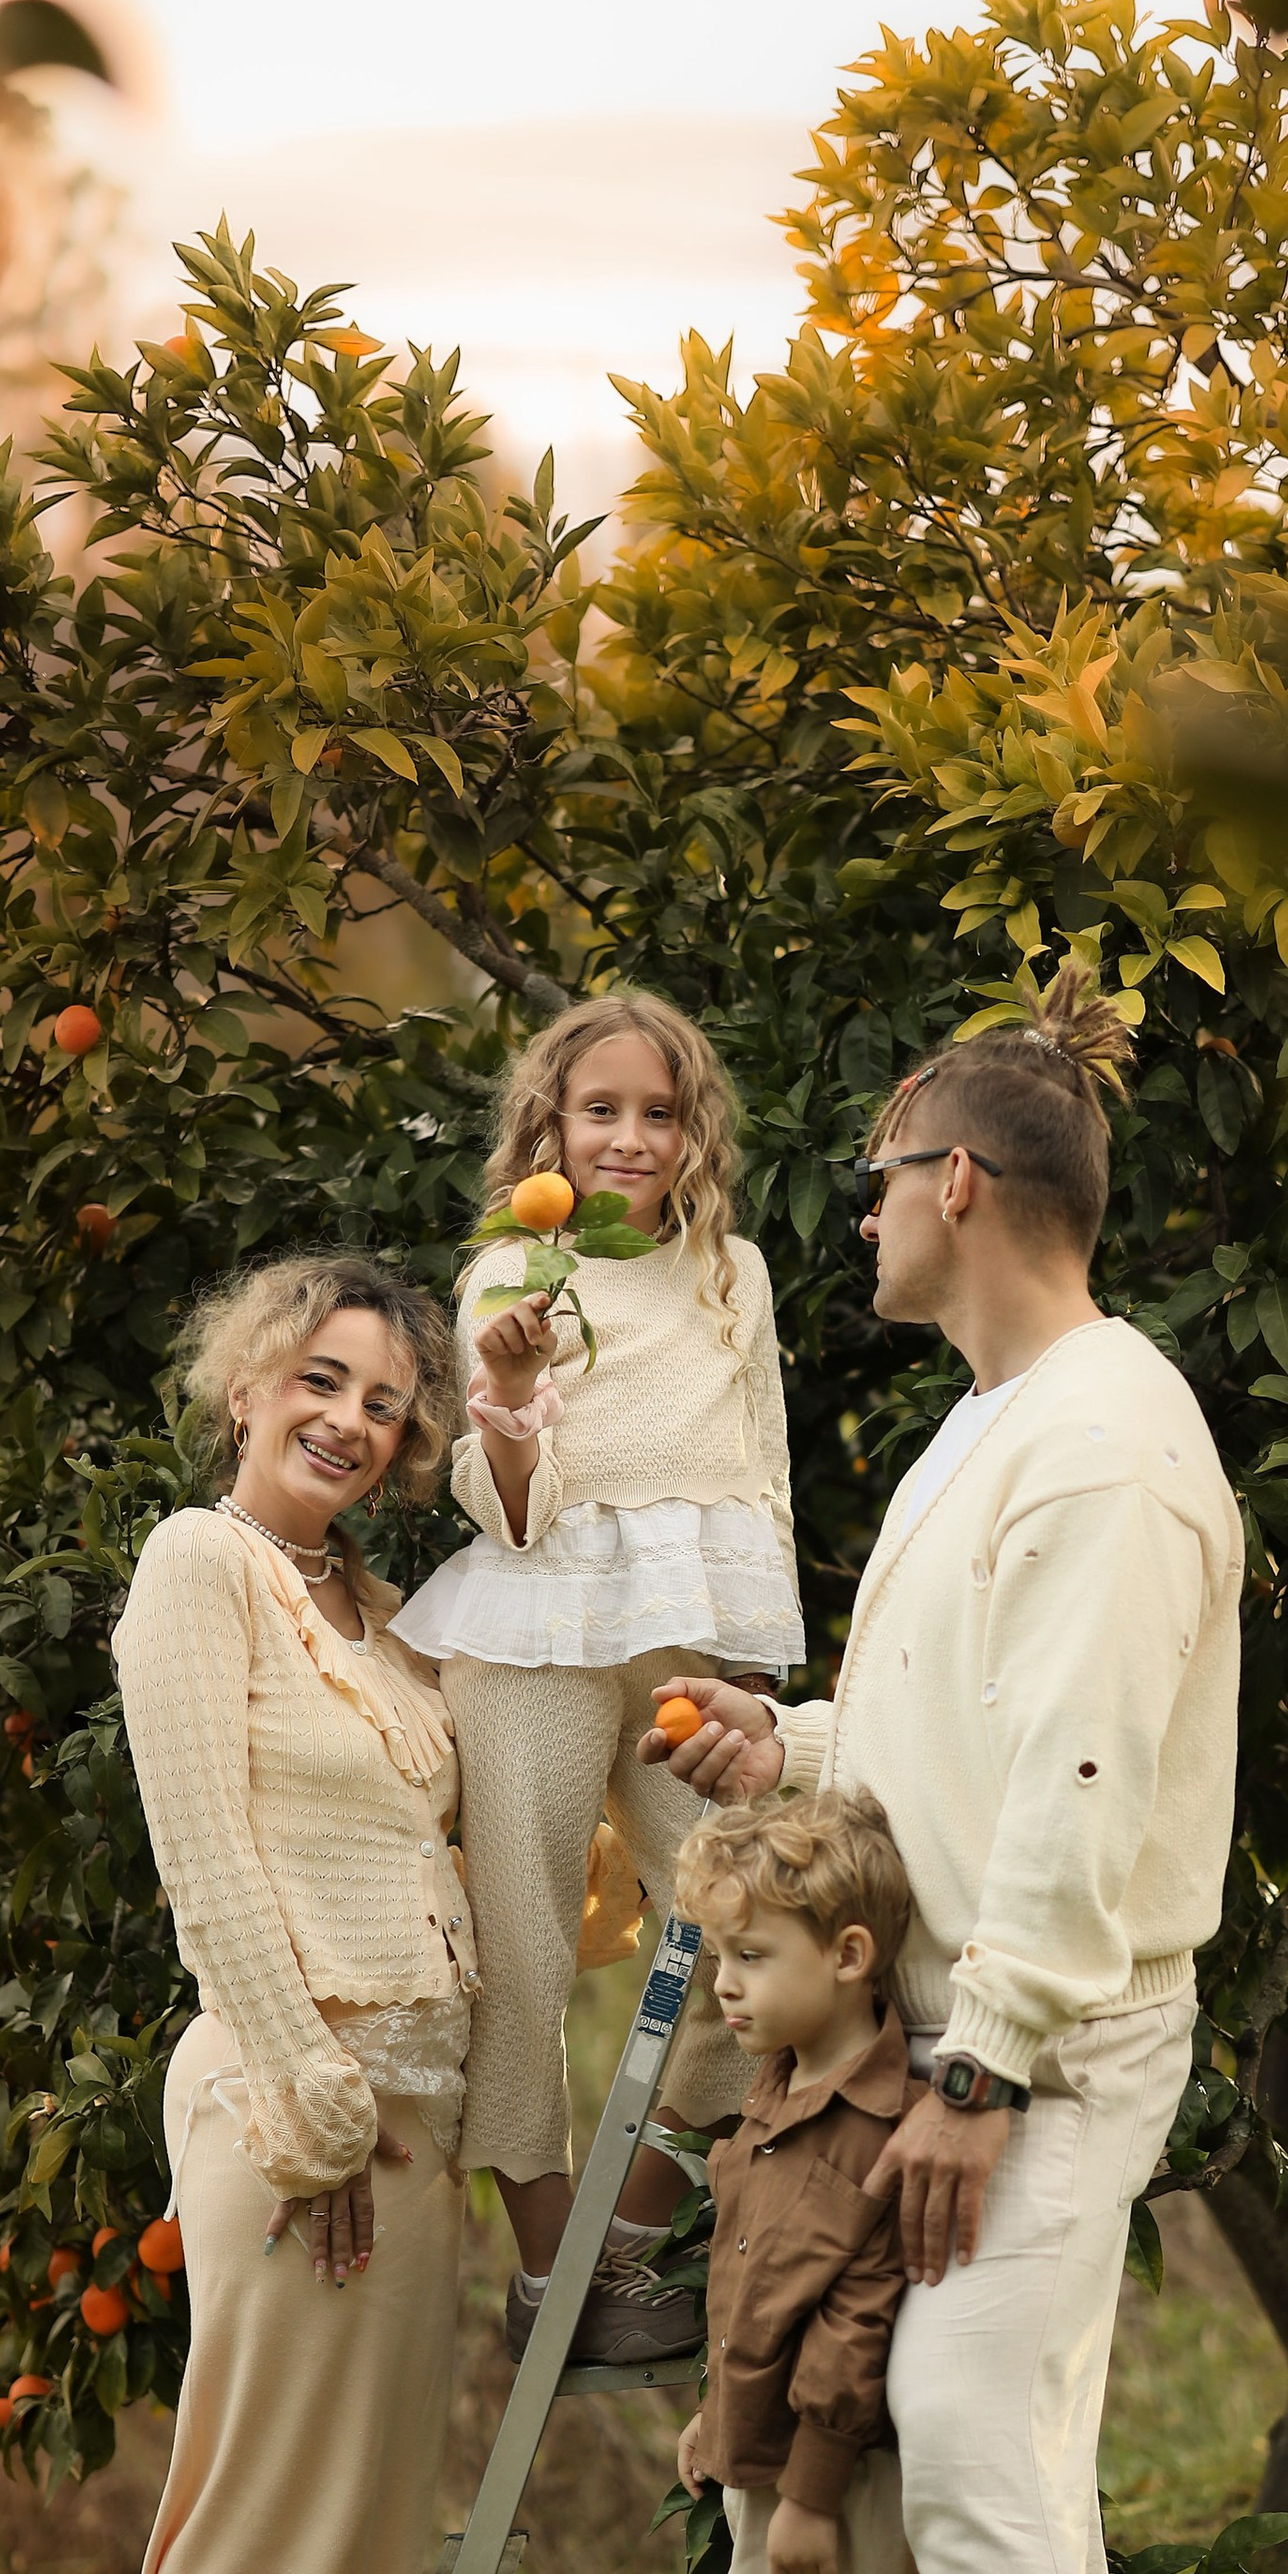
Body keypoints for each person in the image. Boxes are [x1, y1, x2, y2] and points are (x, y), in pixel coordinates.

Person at [643, 972, 1244, 2574]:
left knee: (964, 2416)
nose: (856, 1220)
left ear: (960, 1182)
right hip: (987, 2008)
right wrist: (779, 1746)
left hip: (1051, 2028)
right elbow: (952, 1737)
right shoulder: (988, 1424)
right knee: (1011, 2444)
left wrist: (978, 2071)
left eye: (877, 1183)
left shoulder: (1098, 1439)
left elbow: (1079, 1776)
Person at [91, 1250, 481, 2574]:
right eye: (321, 1380)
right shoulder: (204, 1570)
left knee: (363, 2520)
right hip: (293, 2103)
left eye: (386, 1403)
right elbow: (207, 1858)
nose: (348, 1419)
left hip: (414, 2113)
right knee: (261, 2502)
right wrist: (315, 2108)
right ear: (249, 1382)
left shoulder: (381, 1615)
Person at [392, 989, 804, 2364]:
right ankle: (543, 2256)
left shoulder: (732, 1273)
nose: (630, 1137)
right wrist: (507, 1399)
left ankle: (627, 2241)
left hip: (688, 1639)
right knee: (519, 1947)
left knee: (758, 1912)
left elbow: (765, 1465)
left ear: (696, 1133)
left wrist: (763, 1659)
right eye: (601, 1111)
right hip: (539, 1630)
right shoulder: (515, 1272)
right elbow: (509, 1509)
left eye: (659, 1113)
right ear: (552, 1129)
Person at [669, 1790, 930, 2574]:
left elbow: (851, 2324)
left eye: (751, 1956)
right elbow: (756, 2293)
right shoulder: (785, 2088)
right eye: (722, 1956)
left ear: (849, 1957)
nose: (725, 1986)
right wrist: (719, 2426)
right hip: (766, 2465)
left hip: (818, 2486)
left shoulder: (874, 2129)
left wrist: (811, 2490)